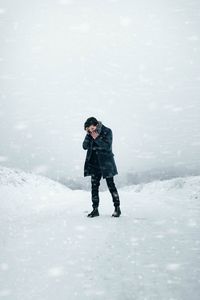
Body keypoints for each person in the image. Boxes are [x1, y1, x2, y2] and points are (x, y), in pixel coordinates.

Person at [82, 117, 121, 218]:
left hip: (106, 163)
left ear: (95, 125)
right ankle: (95, 209)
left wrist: (96, 137)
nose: (91, 131)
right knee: (94, 187)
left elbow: (107, 146)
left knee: (111, 185)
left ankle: (117, 208)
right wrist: (88, 135)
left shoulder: (107, 131)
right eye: (88, 129)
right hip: (94, 164)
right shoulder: (90, 134)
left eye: (91, 128)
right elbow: (84, 146)